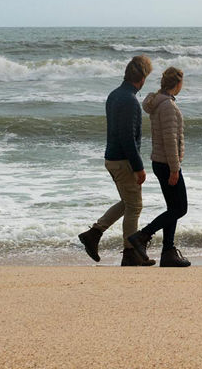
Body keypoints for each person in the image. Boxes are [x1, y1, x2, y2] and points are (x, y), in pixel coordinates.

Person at [78, 55, 155, 266]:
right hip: (123, 161)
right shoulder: (129, 100)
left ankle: (93, 234)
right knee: (135, 206)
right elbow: (127, 137)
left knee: (127, 203)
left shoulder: (114, 95)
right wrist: (138, 167)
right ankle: (130, 254)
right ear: (142, 78)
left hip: (112, 158)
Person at [127, 66, 191, 267]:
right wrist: (174, 168)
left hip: (160, 161)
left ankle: (168, 252)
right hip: (167, 163)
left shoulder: (159, 103)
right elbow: (170, 139)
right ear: (178, 84)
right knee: (180, 208)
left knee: (172, 208)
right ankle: (142, 236)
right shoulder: (168, 106)